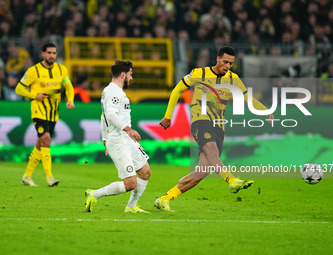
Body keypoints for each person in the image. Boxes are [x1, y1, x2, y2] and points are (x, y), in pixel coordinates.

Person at [155, 46, 274, 212]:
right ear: (217, 59)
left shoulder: (234, 79)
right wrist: (168, 116)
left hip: (219, 126)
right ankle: (232, 180)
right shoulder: (199, 73)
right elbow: (177, 90)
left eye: (231, 63)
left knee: (202, 171)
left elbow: (247, 98)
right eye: (225, 62)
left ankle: (164, 198)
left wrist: (266, 111)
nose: (227, 66)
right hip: (201, 121)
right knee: (212, 150)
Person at [84, 60, 151, 213]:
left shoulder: (115, 91)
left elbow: (103, 116)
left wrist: (104, 139)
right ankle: (94, 194)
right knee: (130, 183)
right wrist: (128, 129)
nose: (131, 78)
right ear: (123, 74)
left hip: (126, 140)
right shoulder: (113, 91)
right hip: (120, 140)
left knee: (145, 172)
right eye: (130, 74)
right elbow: (109, 114)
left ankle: (131, 207)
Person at [15, 43, 75, 187]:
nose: (51, 56)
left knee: (40, 144)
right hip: (38, 111)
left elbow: (68, 86)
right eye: (49, 53)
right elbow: (18, 89)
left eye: (54, 53)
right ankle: (49, 178)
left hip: (53, 113)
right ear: (43, 54)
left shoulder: (61, 69)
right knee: (46, 140)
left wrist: (70, 100)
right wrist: (34, 95)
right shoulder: (33, 71)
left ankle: (27, 176)